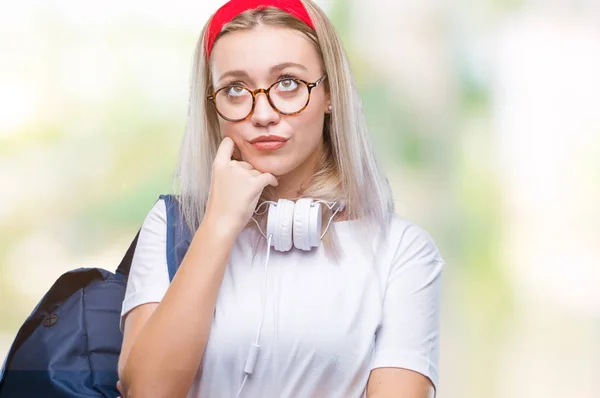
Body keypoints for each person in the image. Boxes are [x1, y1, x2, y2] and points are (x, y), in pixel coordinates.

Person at [117, 0, 445, 397]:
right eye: (235, 89)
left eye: (288, 83)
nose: (263, 113)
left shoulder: (401, 251)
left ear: (330, 95)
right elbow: (148, 391)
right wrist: (219, 225)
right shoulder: (173, 227)